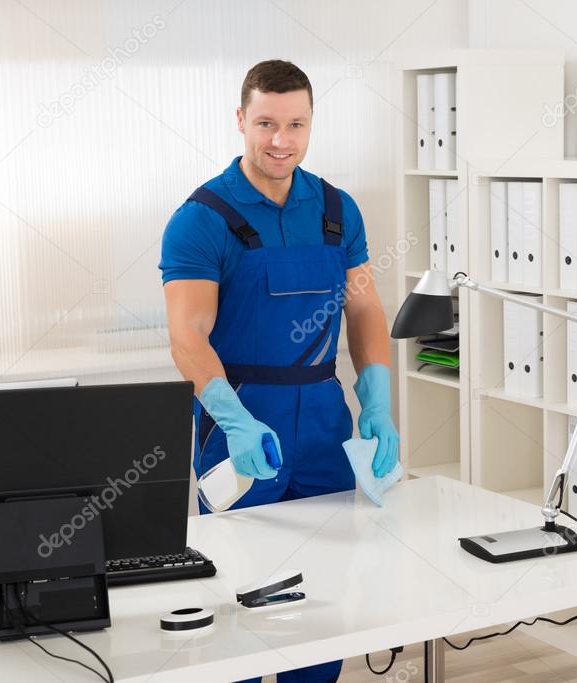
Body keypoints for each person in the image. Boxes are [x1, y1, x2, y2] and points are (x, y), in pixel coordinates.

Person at [159, 59, 399, 683]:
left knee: (319, 591)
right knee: (242, 587)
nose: (280, 140)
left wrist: (377, 401)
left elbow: (365, 305)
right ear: (240, 119)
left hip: (323, 418)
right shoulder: (201, 218)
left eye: (295, 124)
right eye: (266, 123)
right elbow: (187, 335)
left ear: (311, 123)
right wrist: (234, 420)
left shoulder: (339, 211)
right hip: (239, 419)